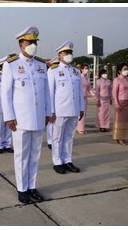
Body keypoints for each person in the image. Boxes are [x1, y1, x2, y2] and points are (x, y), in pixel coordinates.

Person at [1, 26, 51, 205]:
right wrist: (9, 116)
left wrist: (47, 112)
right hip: (20, 119)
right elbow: (6, 94)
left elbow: (46, 92)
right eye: (29, 42)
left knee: (35, 155)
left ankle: (32, 186)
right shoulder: (11, 65)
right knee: (21, 155)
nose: (33, 45)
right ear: (21, 44)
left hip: (38, 118)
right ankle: (22, 189)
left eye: (35, 42)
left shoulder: (40, 65)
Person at [47, 41, 84, 174]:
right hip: (59, 110)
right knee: (57, 138)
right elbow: (50, 93)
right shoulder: (53, 71)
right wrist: (50, 111)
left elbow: (79, 92)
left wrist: (81, 108)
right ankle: (57, 162)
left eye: (70, 53)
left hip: (73, 110)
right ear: (59, 55)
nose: (68, 55)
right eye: (66, 53)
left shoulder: (75, 71)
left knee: (69, 136)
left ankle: (67, 160)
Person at [112, 63, 128, 145]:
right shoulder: (117, 80)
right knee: (119, 120)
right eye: (124, 69)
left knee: (126, 121)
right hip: (121, 102)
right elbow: (114, 92)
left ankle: (124, 137)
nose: (126, 71)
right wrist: (116, 104)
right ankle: (119, 137)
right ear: (120, 71)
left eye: (127, 69)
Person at [76, 65, 95, 134]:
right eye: (85, 68)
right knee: (80, 113)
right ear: (81, 69)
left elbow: (89, 89)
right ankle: (80, 129)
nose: (86, 70)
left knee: (83, 113)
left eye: (87, 68)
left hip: (85, 98)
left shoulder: (87, 78)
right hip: (78, 98)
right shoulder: (78, 77)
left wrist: (94, 95)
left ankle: (80, 128)